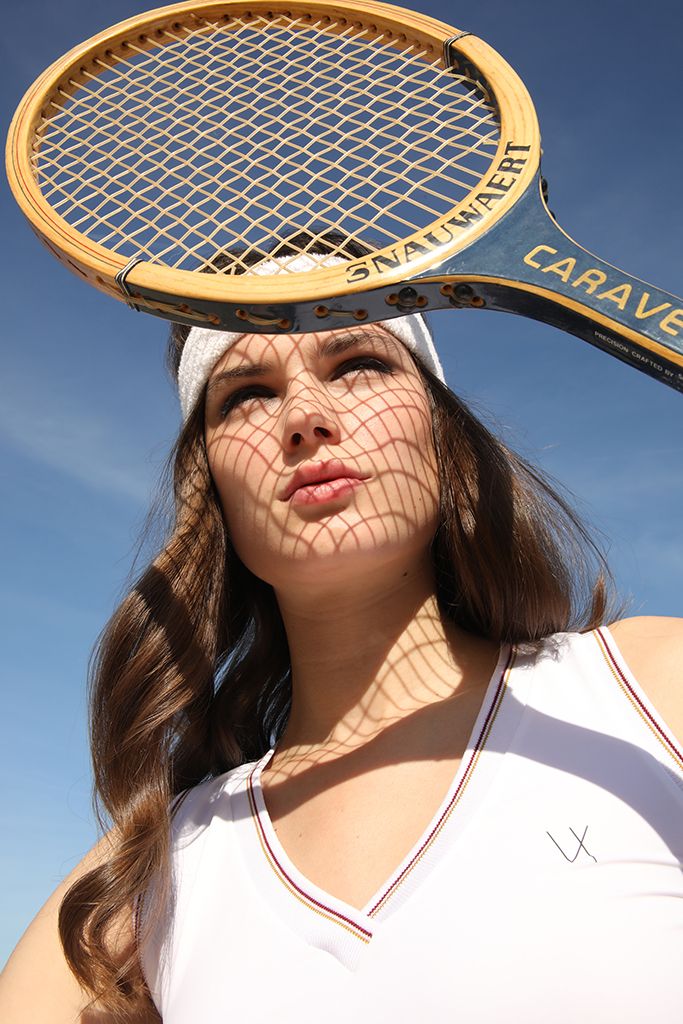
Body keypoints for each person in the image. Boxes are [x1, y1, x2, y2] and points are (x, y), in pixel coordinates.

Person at [1, 233, 682, 1024]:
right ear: (212, 487)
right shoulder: (158, 862)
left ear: (439, 431)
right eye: (246, 392)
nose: (305, 417)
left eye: (357, 364)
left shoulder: (644, 689)